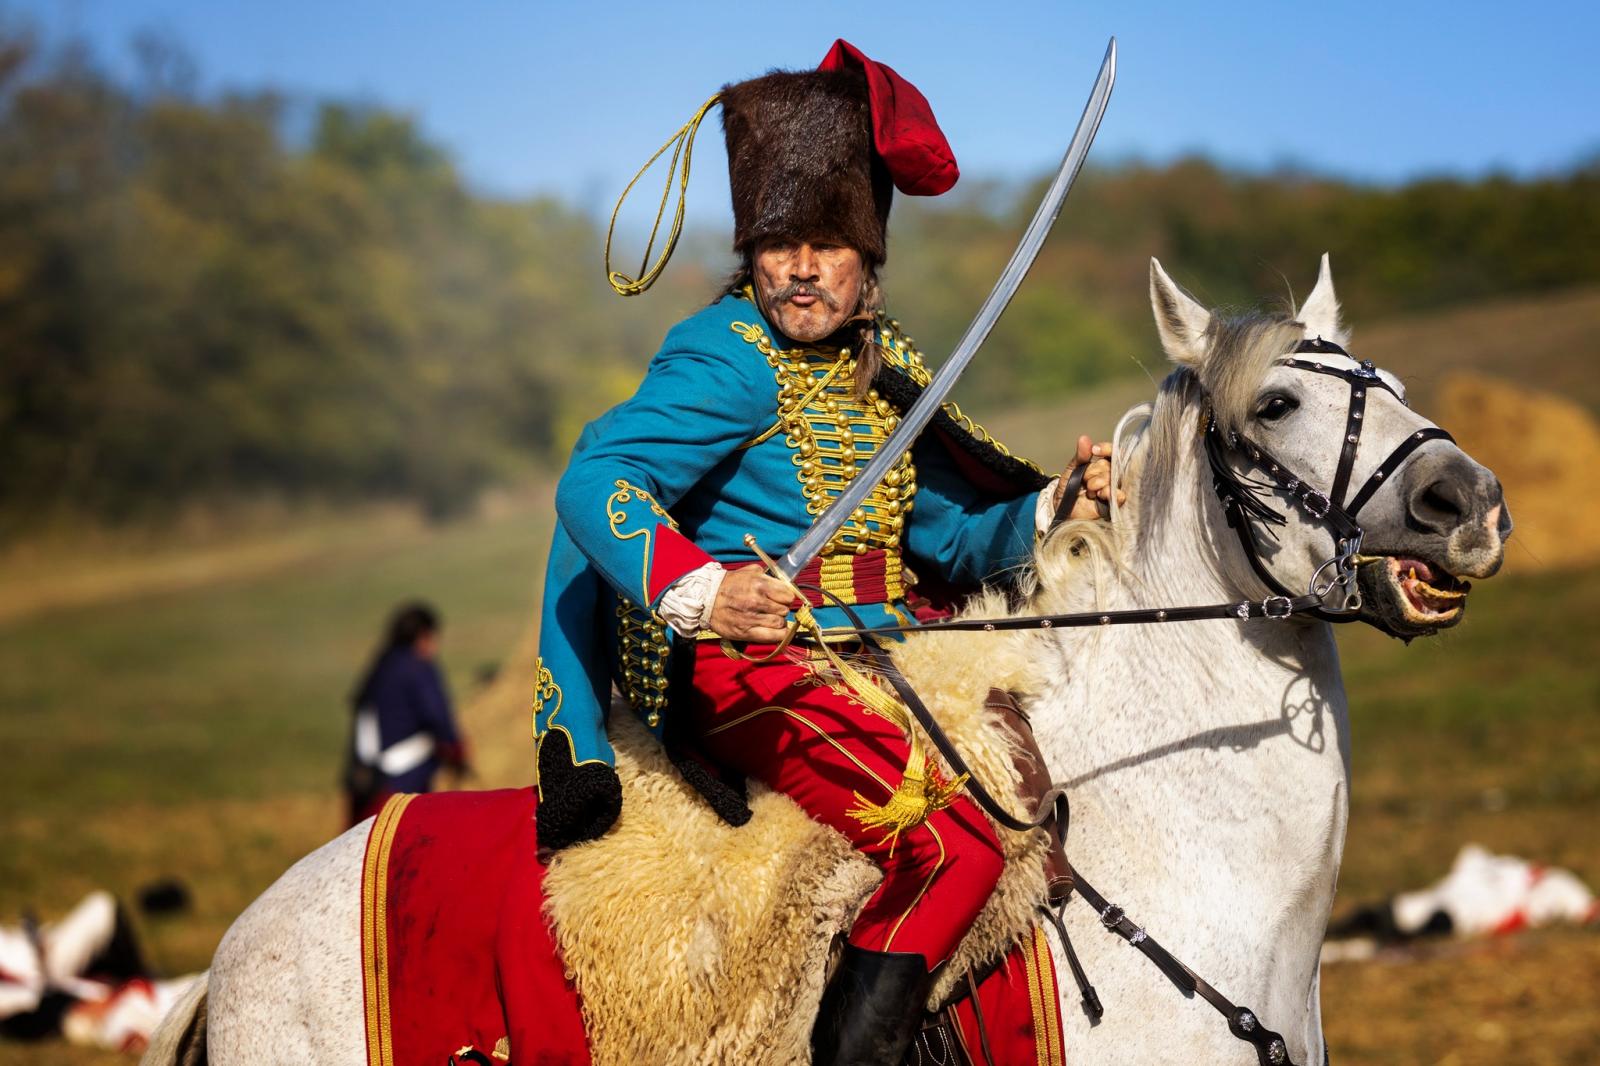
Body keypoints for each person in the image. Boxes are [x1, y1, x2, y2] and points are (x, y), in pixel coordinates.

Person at [531, 40, 1115, 1064]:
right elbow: (594, 478)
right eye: (779, 241)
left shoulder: (885, 372)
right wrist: (701, 591)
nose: (802, 266)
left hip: (889, 651)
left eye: (829, 244)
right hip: (754, 668)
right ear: (751, 250)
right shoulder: (726, 357)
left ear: (868, 260)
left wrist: (1052, 507)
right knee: (953, 840)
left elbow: (946, 537)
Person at [344, 602, 469, 826]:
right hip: (405, 777)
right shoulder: (419, 668)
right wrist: (457, 751)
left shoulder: (381, 665)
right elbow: (437, 715)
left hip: (365, 781)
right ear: (424, 636)